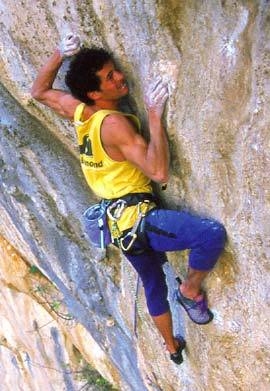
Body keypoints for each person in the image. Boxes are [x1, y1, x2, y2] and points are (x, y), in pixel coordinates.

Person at [31, 33, 226, 365]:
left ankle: (171, 348)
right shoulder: (115, 125)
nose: (120, 76)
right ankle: (190, 290)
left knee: (152, 282)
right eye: (110, 77)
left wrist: (57, 55)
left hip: (119, 226)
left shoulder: (81, 113)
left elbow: (40, 92)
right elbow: (159, 172)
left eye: (115, 70)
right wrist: (153, 116)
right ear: (95, 93)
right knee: (211, 234)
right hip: (141, 221)